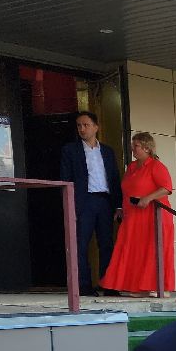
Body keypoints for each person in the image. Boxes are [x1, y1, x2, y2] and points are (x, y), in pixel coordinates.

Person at [102, 132, 175, 295]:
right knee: (134, 250)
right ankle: (136, 286)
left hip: (153, 215)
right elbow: (126, 191)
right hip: (133, 215)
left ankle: (157, 286)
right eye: (132, 146)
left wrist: (147, 198)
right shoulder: (132, 167)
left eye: (136, 146)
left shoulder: (156, 166)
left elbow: (166, 188)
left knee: (153, 250)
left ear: (147, 148)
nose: (133, 150)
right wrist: (120, 208)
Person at [58, 110, 122, 296]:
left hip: (105, 201)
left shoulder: (108, 151)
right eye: (79, 125)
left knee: (107, 244)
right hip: (83, 201)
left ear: (96, 127)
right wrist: (69, 203)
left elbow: (115, 179)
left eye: (86, 125)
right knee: (81, 244)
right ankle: (84, 287)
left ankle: (108, 285)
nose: (82, 129)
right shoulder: (70, 150)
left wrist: (118, 205)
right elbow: (65, 178)